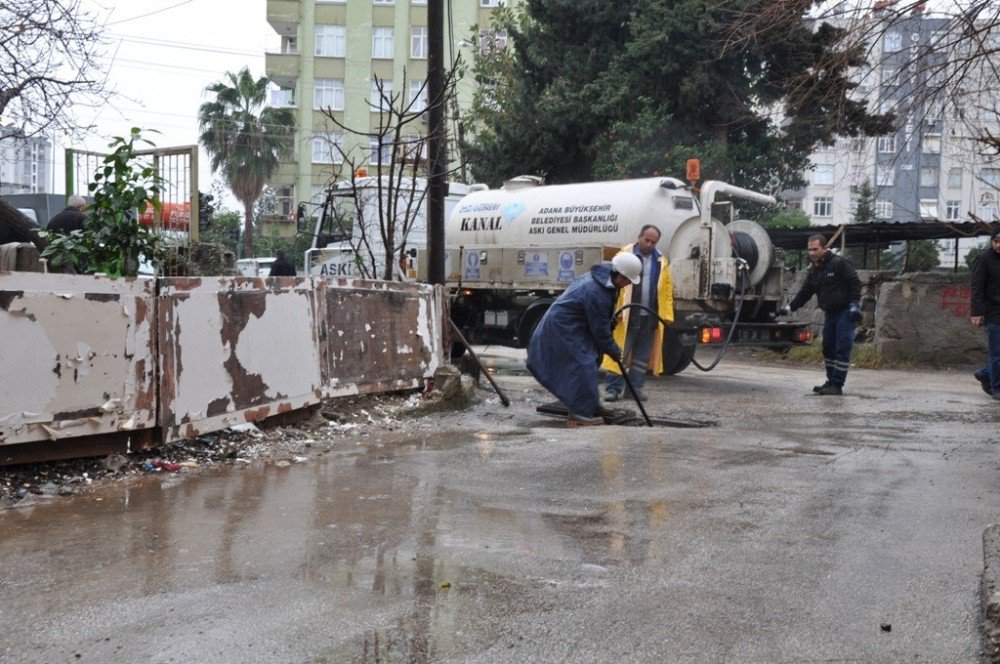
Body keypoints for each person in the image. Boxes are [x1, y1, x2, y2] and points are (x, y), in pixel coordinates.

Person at [526, 252, 642, 426]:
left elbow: (600, 320)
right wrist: (614, 350)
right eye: (628, 280)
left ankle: (591, 403)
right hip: (563, 327)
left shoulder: (606, 281)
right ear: (619, 275)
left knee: (592, 359)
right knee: (584, 363)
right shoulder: (596, 290)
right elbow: (600, 331)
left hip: (575, 325)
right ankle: (579, 413)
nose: (628, 284)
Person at [778, 234, 862, 396]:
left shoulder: (838, 264)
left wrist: (854, 304)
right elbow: (805, 293)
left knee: (842, 348)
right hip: (830, 314)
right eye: (809, 249)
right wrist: (789, 308)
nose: (811, 253)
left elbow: (855, 282)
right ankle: (830, 381)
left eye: (815, 249)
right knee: (827, 348)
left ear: (824, 248)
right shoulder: (814, 271)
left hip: (845, 312)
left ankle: (837, 384)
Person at [601, 225, 674, 402]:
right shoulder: (624, 256)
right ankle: (612, 389)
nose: (649, 244)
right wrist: (615, 310)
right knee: (620, 353)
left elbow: (666, 290)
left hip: (649, 316)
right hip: (627, 315)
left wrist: (667, 316)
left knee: (642, 356)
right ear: (639, 237)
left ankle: (634, 389)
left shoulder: (661, 261)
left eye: (653, 242)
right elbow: (613, 284)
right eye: (646, 240)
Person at [971, 228, 1000, 401]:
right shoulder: (983, 259)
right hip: (992, 312)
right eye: (996, 241)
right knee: (997, 352)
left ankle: (984, 373)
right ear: (992, 242)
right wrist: (976, 312)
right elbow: (976, 287)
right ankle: (997, 388)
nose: (999, 245)